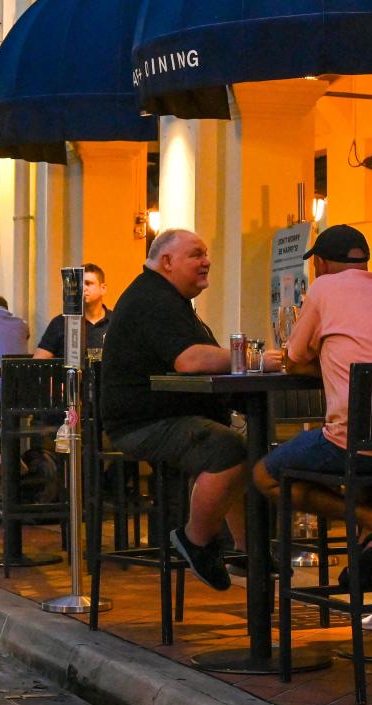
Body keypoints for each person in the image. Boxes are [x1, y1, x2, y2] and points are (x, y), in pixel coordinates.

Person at [254, 224, 372, 591]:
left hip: (359, 441)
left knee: (264, 476)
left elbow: (296, 355)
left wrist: (315, 359)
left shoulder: (324, 288)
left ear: (318, 263)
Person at [100, 229, 281, 590]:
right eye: (196, 254)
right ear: (167, 261)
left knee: (252, 448)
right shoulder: (153, 298)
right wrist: (256, 360)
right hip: (143, 423)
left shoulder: (169, 298)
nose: (207, 261)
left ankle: (249, 552)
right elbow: (190, 360)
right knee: (229, 449)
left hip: (171, 415)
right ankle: (195, 540)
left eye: (207, 253)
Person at [34, 263, 113, 358]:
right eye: (79, 284)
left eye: (88, 283)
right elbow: (39, 362)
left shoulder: (115, 321)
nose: (83, 288)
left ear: (103, 288)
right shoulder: (61, 323)